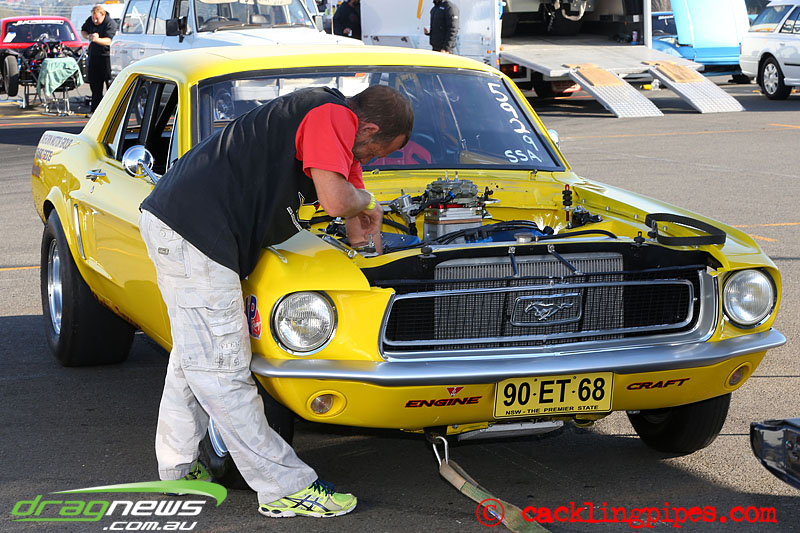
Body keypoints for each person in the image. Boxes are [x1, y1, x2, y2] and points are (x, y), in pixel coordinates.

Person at [138, 84, 413, 518]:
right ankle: (284, 487)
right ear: (370, 128)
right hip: (195, 234)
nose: (371, 160)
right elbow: (337, 200)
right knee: (223, 368)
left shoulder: (338, 131)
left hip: (184, 227)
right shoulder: (332, 114)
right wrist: (368, 201)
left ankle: (177, 470)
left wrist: (362, 217)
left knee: (195, 357)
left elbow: (351, 209)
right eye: (378, 152)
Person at [81, 5, 116, 113]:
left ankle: (111, 110)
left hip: (106, 57)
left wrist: (96, 39)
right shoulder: (90, 21)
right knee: (95, 85)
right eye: (93, 18)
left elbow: (109, 41)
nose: (95, 20)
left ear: (103, 15)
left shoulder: (110, 23)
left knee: (109, 84)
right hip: (94, 55)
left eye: (97, 18)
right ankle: (95, 111)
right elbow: (83, 31)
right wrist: (88, 37)